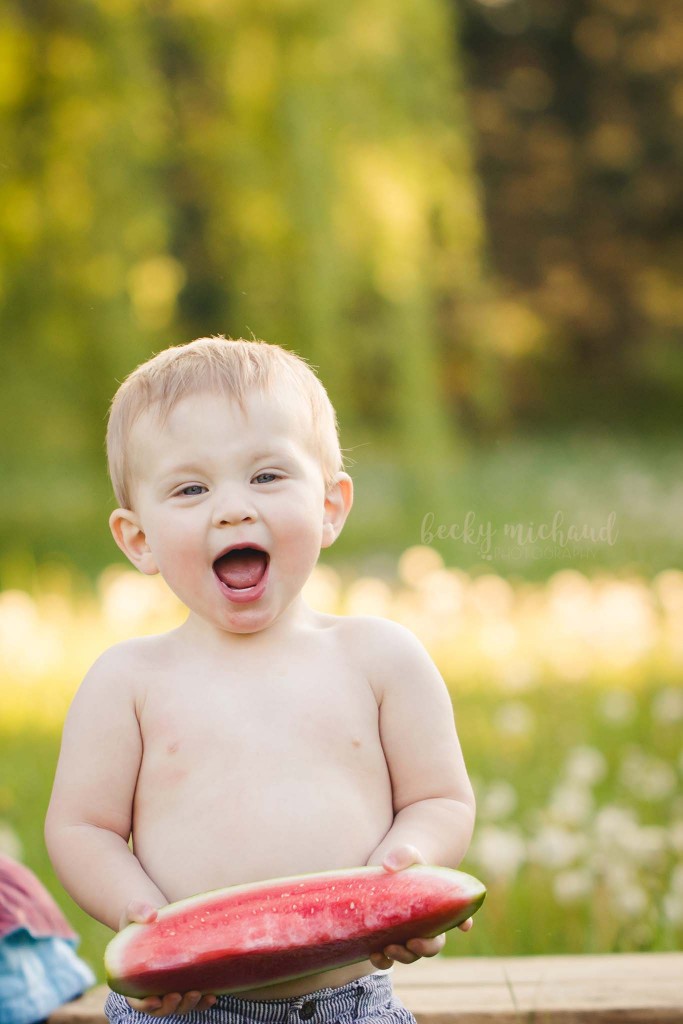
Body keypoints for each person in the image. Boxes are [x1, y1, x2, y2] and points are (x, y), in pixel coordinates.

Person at [45, 337, 476, 1024]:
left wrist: (409, 866)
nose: (233, 509)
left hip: (350, 1004)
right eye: (190, 489)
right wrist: (142, 915)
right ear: (138, 540)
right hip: (180, 1007)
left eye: (268, 477)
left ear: (331, 505)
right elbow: (81, 828)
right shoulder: (127, 681)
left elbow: (440, 799)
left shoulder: (381, 659)